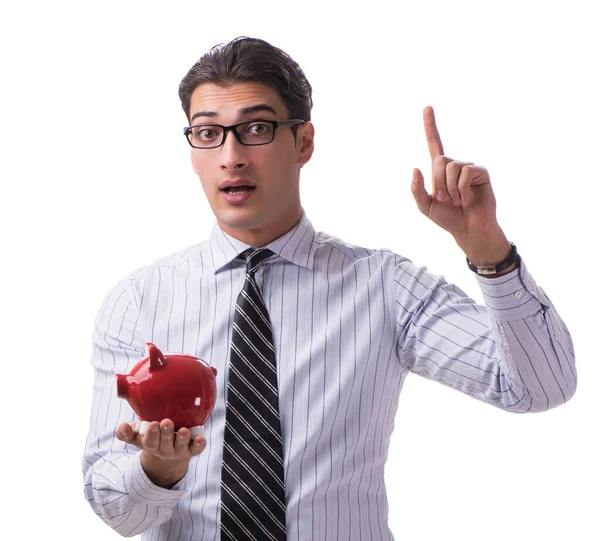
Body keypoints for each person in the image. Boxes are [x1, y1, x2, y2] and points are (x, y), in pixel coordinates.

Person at [82, 36, 576, 541]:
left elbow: (541, 387)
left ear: (303, 143)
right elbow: (118, 512)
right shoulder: (139, 301)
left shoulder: (385, 287)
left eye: (256, 128)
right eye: (208, 133)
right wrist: (158, 470)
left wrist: (488, 248)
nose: (231, 157)